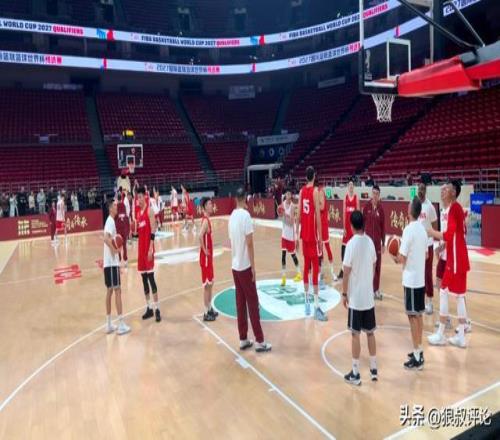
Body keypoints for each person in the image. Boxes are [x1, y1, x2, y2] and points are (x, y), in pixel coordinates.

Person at [427, 181, 470, 348]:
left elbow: (449, 234)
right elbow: (453, 235)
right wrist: (442, 246)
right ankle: (461, 336)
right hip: (458, 257)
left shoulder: (454, 208)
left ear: (454, 192)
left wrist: (432, 232)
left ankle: (441, 334)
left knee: (444, 291)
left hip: (456, 259)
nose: (445, 190)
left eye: (449, 188)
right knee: (459, 296)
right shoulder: (455, 208)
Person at [228, 187, 271, 352]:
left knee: (240, 303)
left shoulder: (232, 216)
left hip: (235, 265)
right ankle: (259, 340)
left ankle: (243, 338)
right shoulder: (245, 216)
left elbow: (232, 241)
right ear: (245, 198)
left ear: (235, 199)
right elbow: (250, 243)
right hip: (245, 266)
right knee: (253, 303)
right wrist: (253, 266)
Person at [342, 210, 378, 385]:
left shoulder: (350, 244)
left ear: (351, 225)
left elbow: (346, 272)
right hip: (368, 297)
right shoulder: (370, 242)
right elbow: (374, 264)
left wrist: (344, 293)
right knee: (370, 333)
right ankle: (373, 368)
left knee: (355, 334)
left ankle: (355, 373)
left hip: (356, 299)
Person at [393, 197, 428, 370]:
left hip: (411, 280)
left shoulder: (408, 230)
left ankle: (417, 356)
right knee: (418, 316)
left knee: (412, 317)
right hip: (420, 279)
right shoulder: (423, 230)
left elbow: (402, 257)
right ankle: (418, 350)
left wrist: (394, 257)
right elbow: (426, 255)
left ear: (409, 211)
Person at [297, 166, 327, 321]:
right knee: (315, 269)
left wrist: (297, 236)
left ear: (305, 177)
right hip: (313, 236)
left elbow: (298, 215)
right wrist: (320, 238)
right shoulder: (315, 191)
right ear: (314, 176)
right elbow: (318, 217)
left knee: (306, 267)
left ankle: (306, 302)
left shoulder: (301, 191)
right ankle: (316, 307)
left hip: (304, 235)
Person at [103, 200, 131, 335]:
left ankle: (109, 324)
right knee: (118, 290)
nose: (116, 206)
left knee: (109, 291)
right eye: (114, 205)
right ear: (110, 208)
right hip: (111, 263)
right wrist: (115, 251)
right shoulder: (110, 221)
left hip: (108, 263)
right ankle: (121, 324)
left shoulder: (110, 221)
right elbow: (106, 238)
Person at [136, 186, 161, 322]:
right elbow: (138, 233)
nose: (138, 200)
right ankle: (149, 308)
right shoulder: (138, 214)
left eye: (140, 197)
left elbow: (153, 230)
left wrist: (151, 248)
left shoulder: (149, 211)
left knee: (151, 279)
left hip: (148, 249)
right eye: (137, 198)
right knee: (144, 280)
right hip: (141, 250)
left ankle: (157, 309)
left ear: (144, 197)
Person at [417, 183, 438, 314]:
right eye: (419, 189)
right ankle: (421, 300)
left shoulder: (430, 206)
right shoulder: (415, 204)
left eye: (423, 189)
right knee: (419, 273)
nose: (420, 191)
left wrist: (430, 238)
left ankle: (429, 301)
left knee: (427, 273)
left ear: (425, 191)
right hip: (417, 245)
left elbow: (435, 226)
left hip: (428, 244)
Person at [363, 185, 385, 300]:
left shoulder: (381, 209)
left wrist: (383, 243)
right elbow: (362, 224)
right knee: (368, 266)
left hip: (377, 243)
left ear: (379, 195)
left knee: (377, 266)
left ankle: (376, 290)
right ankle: (368, 289)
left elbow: (383, 227)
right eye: (374, 193)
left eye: (377, 193)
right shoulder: (366, 206)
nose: (375, 195)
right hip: (367, 243)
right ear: (371, 194)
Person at [199, 197, 218, 321]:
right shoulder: (205, 221)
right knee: (207, 286)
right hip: (205, 259)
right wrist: (205, 250)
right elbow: (200, 235)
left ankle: (210, 308)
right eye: (210, 204)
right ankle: (205, 313)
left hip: (208, 258)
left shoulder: (207, 219)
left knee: (211, 284)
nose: (212, 206)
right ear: (205, 206)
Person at [279, 189, 302, 287]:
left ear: (291, 195)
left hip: (290, 235)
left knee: (293, 255)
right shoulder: (283, 204)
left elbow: (291, 223)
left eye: (289, 194)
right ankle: (283, 277)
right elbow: (281, 216)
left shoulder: (292, 206)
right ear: (285, 195)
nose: (288, 195)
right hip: (284, 234)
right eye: (287, 194)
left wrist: (285, 215)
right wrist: (280, 213)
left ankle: (299, 273)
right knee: (283, 255)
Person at [339, 179, 360, 279]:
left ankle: (355, 269)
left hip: (354, 227)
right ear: (348, 187)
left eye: (352, 185)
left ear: (353, 187)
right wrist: (344, 228)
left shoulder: (356, 198)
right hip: (347, 227)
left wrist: (358, 228)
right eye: (349, 185)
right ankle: (343, 269)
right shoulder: (345, 198)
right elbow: (343, 213)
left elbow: (358, 214)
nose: (351, 186)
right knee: (344, 248)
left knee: (354, 248)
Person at [318, 183, 338, 287]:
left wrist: (314, 204)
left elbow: (321, 207)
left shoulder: (320, 191)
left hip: (323, 225)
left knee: (327, 247)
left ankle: (332, 272)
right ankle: (320, 272)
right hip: (318, 225)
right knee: (319, 250)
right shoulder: (318, 192)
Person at [116, 191, 130, 267]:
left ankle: (119, 260)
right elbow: (127, 217)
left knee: (118, 246)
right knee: (124, 246)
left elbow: (115, 218)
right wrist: (128, 231)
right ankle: (125, 261)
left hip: (118, 230)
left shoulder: (116, 206)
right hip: (124, 228)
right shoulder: (123, 205)